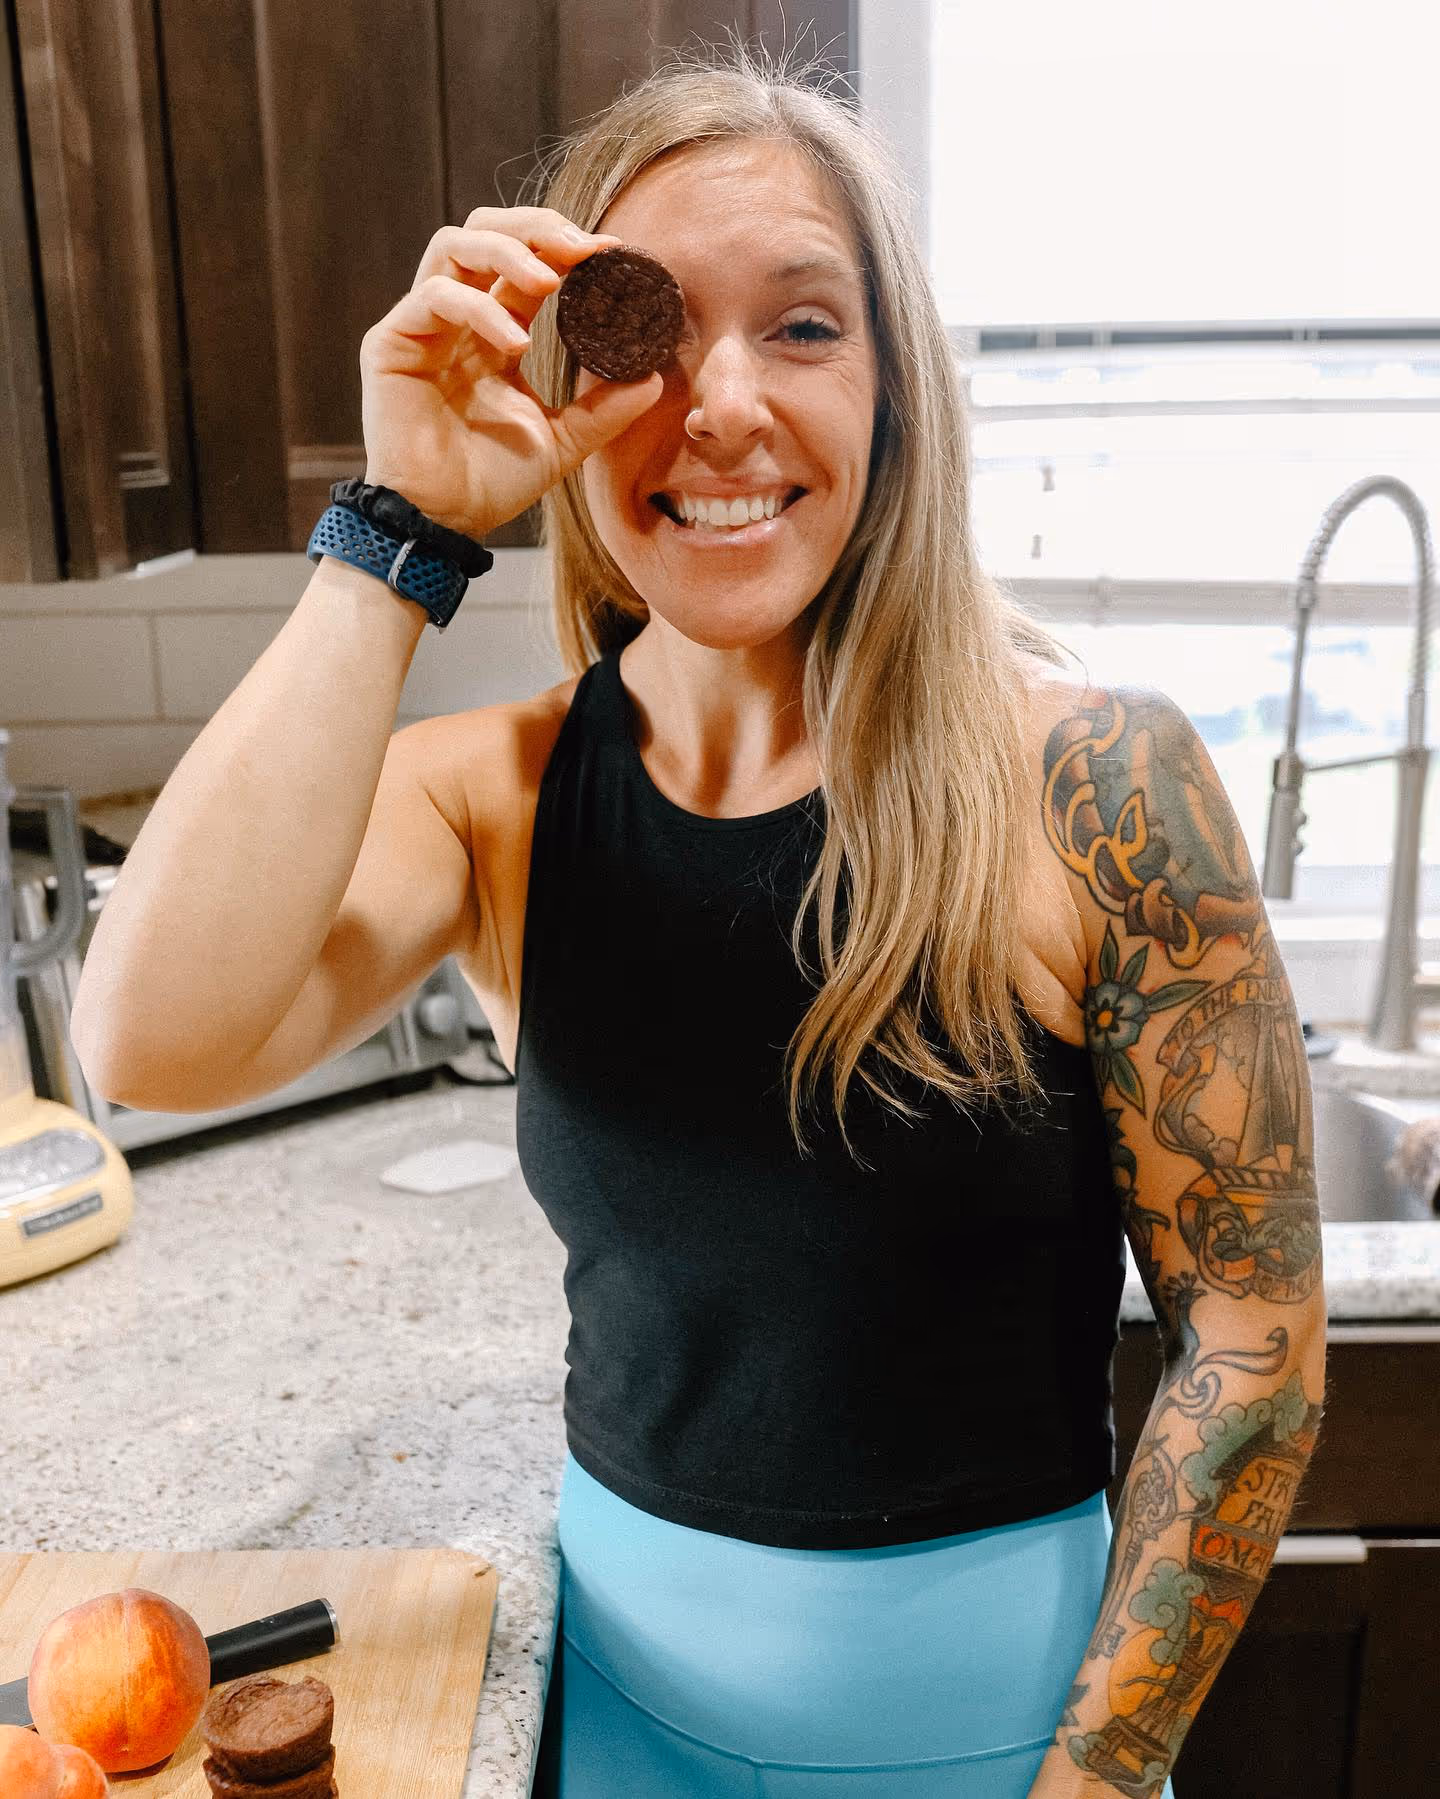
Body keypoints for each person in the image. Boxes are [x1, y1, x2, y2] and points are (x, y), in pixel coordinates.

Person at [77, 33, 1327, 1799]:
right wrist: (403, 523)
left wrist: (1100, 1779)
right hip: (620, 1724)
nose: (724, 405)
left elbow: (1253, 1341)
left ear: (896, 388)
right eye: (649, 334)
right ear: (569, 386)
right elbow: (143, 1037)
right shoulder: (498, 798)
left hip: (1001, 1743)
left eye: (805, 326)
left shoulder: (1095, 789)